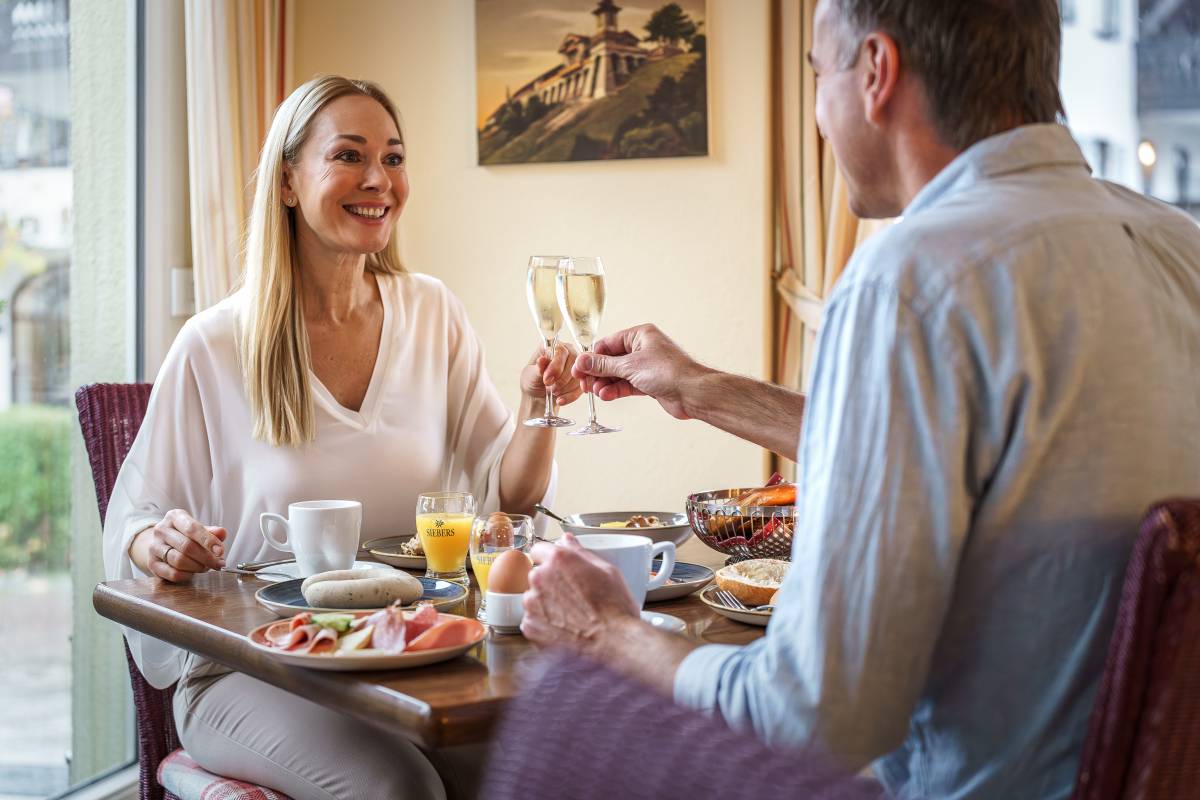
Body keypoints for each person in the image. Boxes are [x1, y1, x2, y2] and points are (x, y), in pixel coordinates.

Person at [520, 2, 1200, 798]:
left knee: (557, 716)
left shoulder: (910, 281)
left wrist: (610, 631)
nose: (816, 114)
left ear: (876, 73)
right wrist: (700, 389)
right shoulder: (1176, 247)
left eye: (817, 74)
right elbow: (968, 460)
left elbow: (814, 718)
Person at [102, 75, 581, 799]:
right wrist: (160, 543)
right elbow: (134, 522)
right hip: (255, 669)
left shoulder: (431, 311)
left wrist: (538, 406)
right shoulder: (216, 343)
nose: (378, 180)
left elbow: (508, 495)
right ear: (289, 181)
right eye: (349, 156)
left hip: (408, 653)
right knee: (397, 791)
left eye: (393, 158)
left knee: (541, 773)